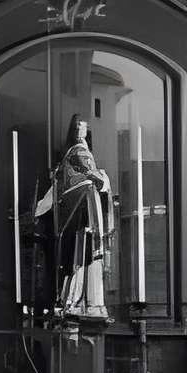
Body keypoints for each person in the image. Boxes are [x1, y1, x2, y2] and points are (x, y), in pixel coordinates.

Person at [37, 116, 117, 325]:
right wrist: (103, 180)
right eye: (78, 127)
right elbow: (90, 175)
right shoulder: (77, 153)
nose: (81, 131)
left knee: (85, 257)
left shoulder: (77, 154)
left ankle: (84, 302)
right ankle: (79, 302)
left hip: (85, 212)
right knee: (81, 256)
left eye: (84, 128)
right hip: (82, 212)